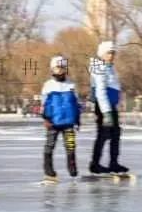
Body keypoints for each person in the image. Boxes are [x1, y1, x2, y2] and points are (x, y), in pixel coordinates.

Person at [89, 41, 129, 174]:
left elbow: (114, 87)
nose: (111, 55)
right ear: (102, 54)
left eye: (113, 52)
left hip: (111, 106)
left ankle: (113, 163)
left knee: (115, 134)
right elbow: (100, 92)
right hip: (103, 108)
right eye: (108, 52)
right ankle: (95, 164)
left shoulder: (109, 67)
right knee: (104, 135)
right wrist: (106, 113)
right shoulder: (99, 67)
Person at [41, 56, 80, 180]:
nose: (61, 70)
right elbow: (43, 103)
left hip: (68, 122)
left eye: (63, 67)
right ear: (52, 69)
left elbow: (76, 103)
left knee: (70, 145)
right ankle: (48, 169)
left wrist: (77, 119)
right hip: (53, 121)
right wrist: (46, 118)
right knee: (50, 145)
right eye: (58, 67)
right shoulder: (48, 85)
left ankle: (72, 166)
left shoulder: (71, 84)